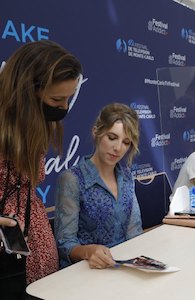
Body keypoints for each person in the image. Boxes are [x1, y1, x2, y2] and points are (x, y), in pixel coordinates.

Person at [0, 40, 82, 298]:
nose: (64, 108)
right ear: (26, 91)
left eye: (68, 99)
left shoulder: (36, 123)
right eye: (57, 99)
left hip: (33, 253)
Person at [54, 103, 143, 269]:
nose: (118, 148)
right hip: (86, 271)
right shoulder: (72, 179)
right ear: (96, 132)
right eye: (112, 137)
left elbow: (134, 232)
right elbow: (65, 243)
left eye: (126, 142)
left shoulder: (126, 176)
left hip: (124, 267)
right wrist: (88, 251)